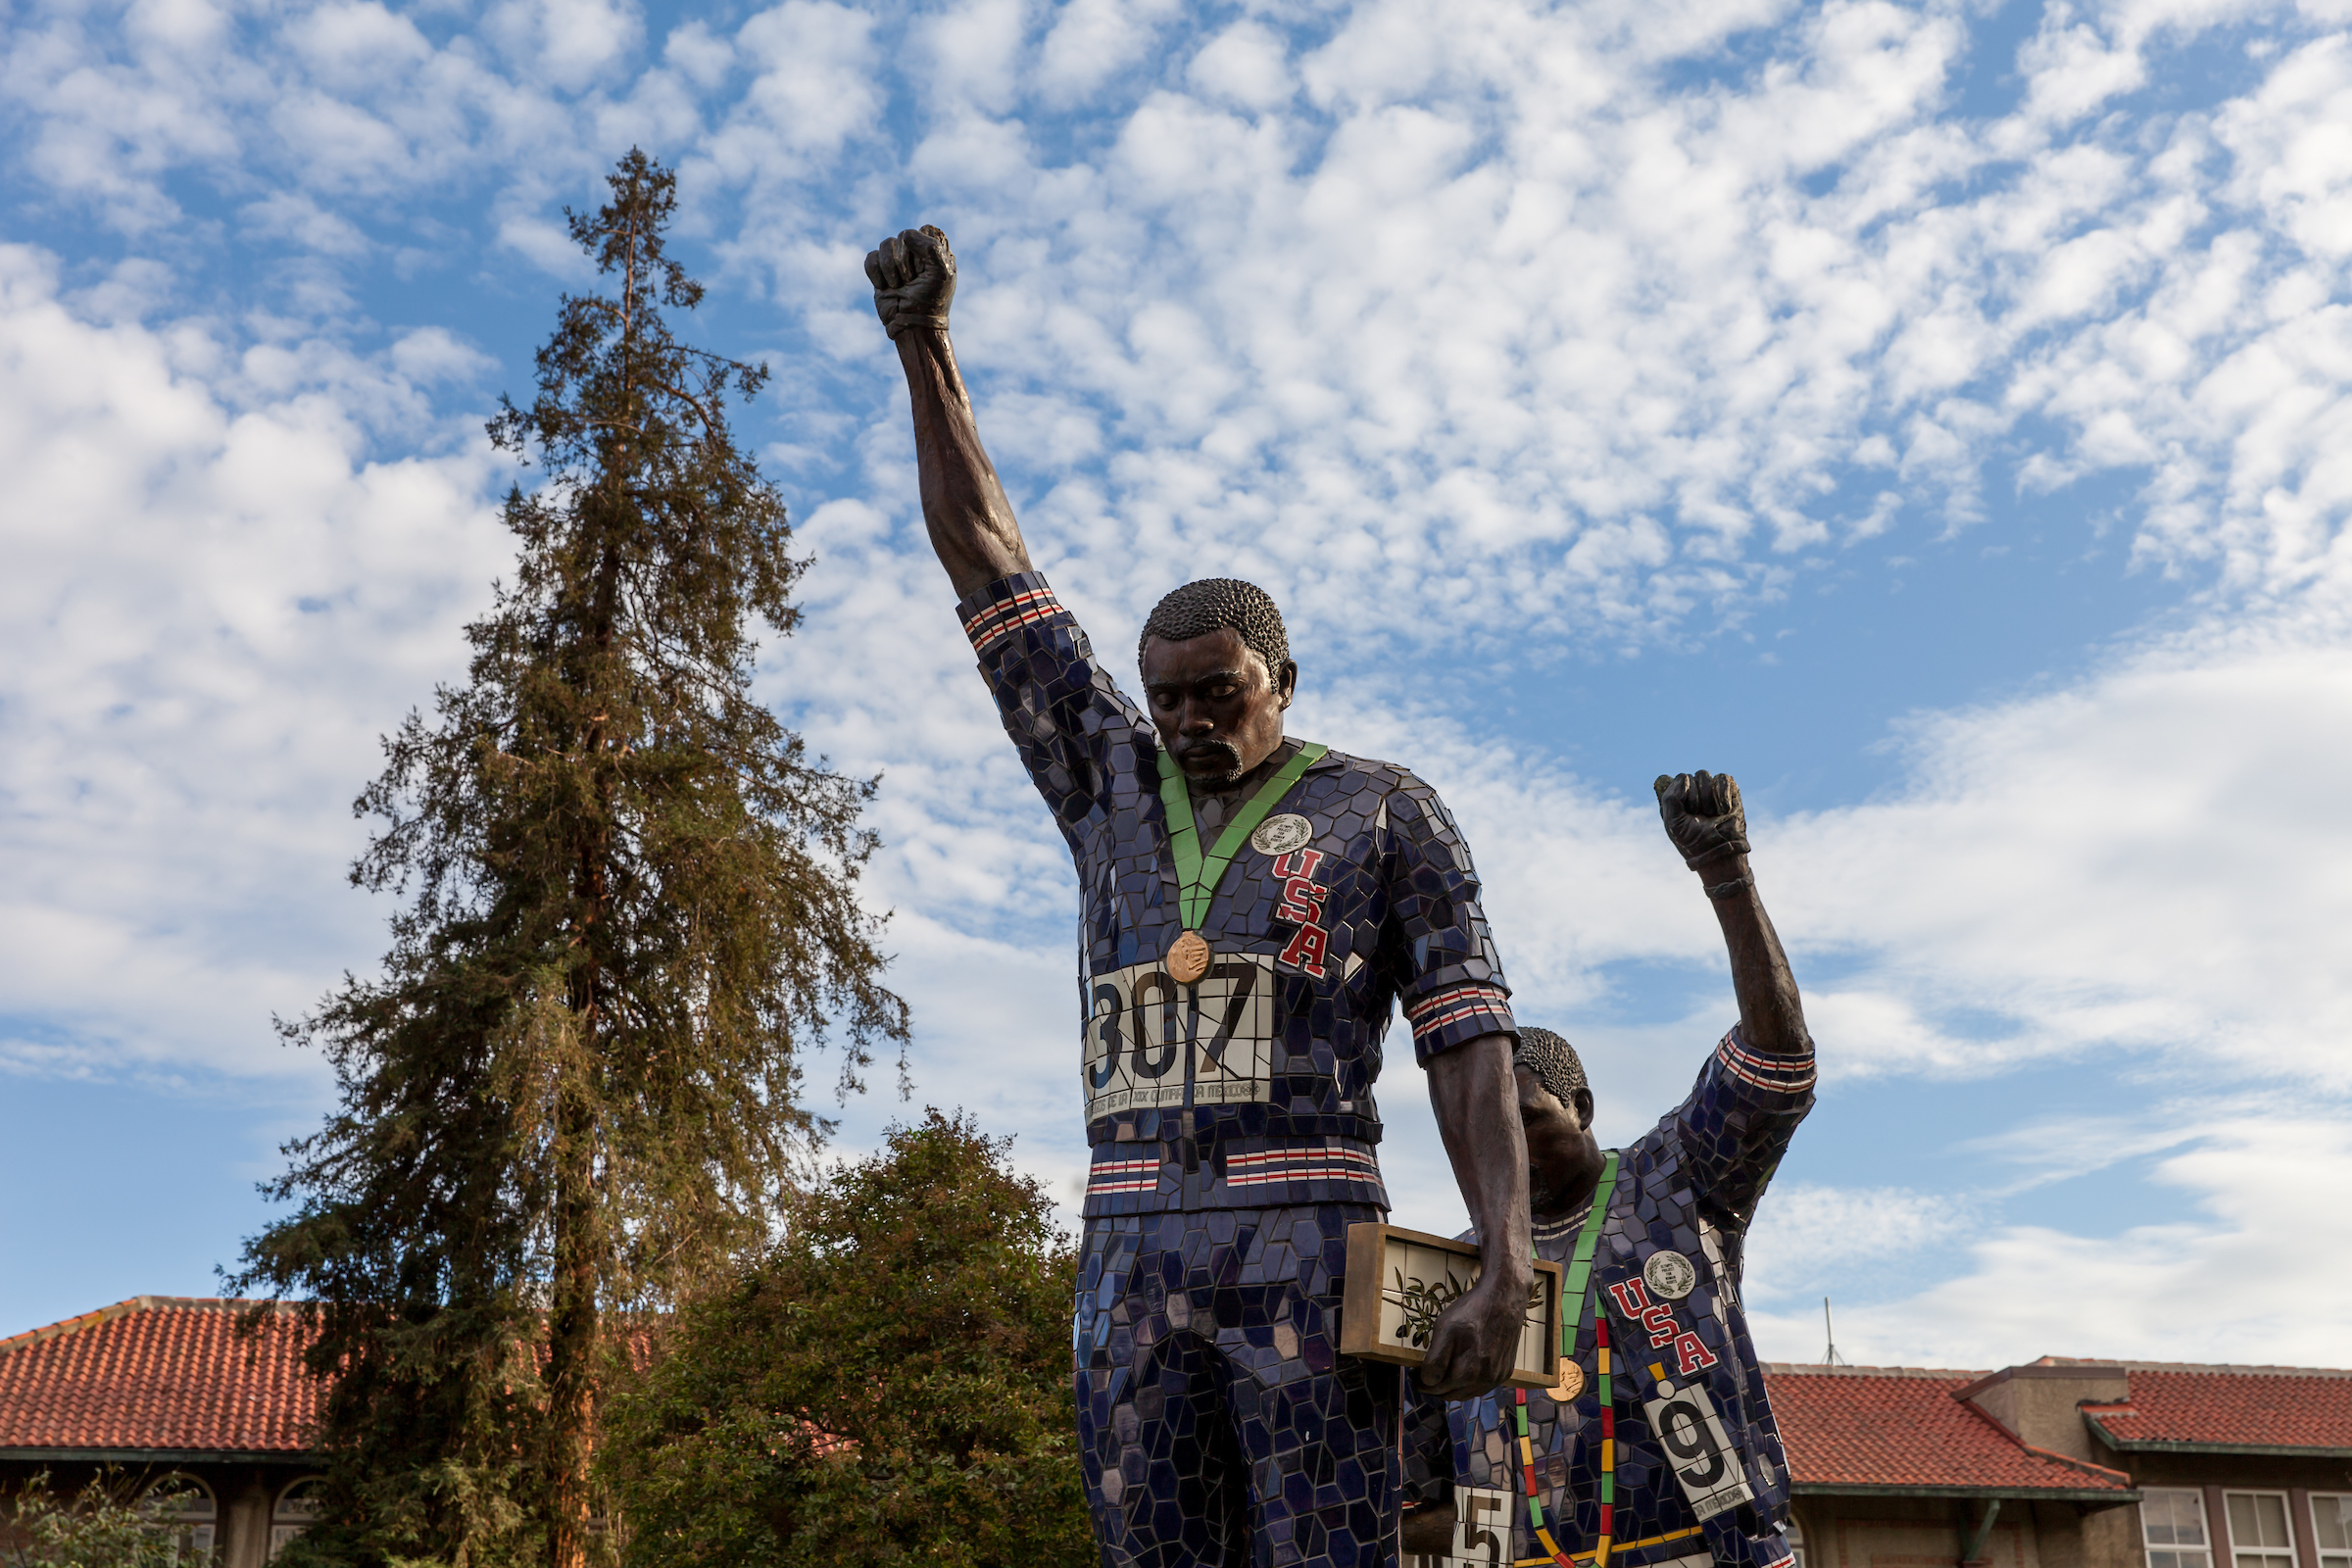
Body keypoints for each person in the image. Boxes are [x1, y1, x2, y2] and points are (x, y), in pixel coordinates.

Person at [864, 223, 1537, 1567]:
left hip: (1305, 1233)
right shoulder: (1103, 779)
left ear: (1280, 679)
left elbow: (1467, 1041)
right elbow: (984, 554)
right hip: (1128, 1241)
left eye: (1215, 693)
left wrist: (1508, 1253)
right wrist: (923, 347)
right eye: (1163, 695)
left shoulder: (1384, 807)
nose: (1183, 719)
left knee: (1323, 1547)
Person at [1399, 771, 1813, 1568]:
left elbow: (1776, 1061)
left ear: (1581, 1108)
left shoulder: (1673, 1180)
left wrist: (1727, 875)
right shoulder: (1452, 1276)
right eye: (1485, 1133)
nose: (1507, 1151)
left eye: (1528, 1121)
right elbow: (1426, 1497)